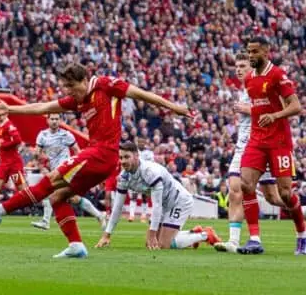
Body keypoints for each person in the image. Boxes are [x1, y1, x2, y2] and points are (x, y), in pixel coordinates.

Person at [0, 63, 193, 258]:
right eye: (65, 87)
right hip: (98, 157)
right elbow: (43, 107)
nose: (68, 91)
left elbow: (141, 94)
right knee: (58, 196)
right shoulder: (78, 100)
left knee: (53, 177)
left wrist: (173, 107)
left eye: (71, 86)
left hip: (103, 153)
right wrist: (10, 108)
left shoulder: (106, 85)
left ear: (84, 80)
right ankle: (75, 245)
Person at [235, 37, 305, 255]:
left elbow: (296, 107)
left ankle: (302, 235)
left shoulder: (278, 75)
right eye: (249, 52)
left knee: (284, 194)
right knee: (246, 184)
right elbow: (257, 107)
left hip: (279, 142)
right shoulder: (249, 80)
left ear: (266, 52)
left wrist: (275, 116)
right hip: (256, 140)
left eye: (255, 52)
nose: (251, 56)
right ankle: (254, 239)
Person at [215, 52, 285, 253]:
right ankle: (234, 241)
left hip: (266, 146)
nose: (238, 70)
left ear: (252, 68)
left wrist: (248, 109)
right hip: (245, 146)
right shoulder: (244, 90)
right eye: (236, 66)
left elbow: (277, 111)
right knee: (235, 189)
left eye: (243, 66)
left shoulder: (263, 87)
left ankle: (299, 211)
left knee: (274, 197)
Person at [95, 142, 220, 250]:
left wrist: (152, 233)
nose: (123, 161)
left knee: (163, 245)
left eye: (127, 157)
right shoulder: (123, 178)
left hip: (179, 201)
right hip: (164, 205)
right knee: (150, 243)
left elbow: (157, 205)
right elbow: (117, 207)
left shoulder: (149, 172)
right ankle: (193, 233)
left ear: (137, 156)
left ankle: (205, 235)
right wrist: (107, 234)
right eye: (121, 158)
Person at [31, 113, 106, 231]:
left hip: (66, 169)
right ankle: (99, 215)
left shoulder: (66, 135)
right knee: (73, 198)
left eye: (57, 119)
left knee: (48, 190)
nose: (54, 121)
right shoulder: (42, 135)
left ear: (60, 120)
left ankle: (46, 221)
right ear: (48, 120)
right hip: (54, 169)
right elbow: (37, 152)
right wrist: (38, 156)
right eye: (52, 119)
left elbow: (77, 151)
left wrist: (81, 167)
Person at [0, 111, 27, 206]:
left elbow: (18, 140)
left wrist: (3, 145)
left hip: (14, 164)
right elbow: (5, 145)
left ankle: (37, 208)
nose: (0, 115)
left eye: (2, 113)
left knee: (22, 190)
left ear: (6, 114)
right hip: (4, 164)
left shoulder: (10, 126)